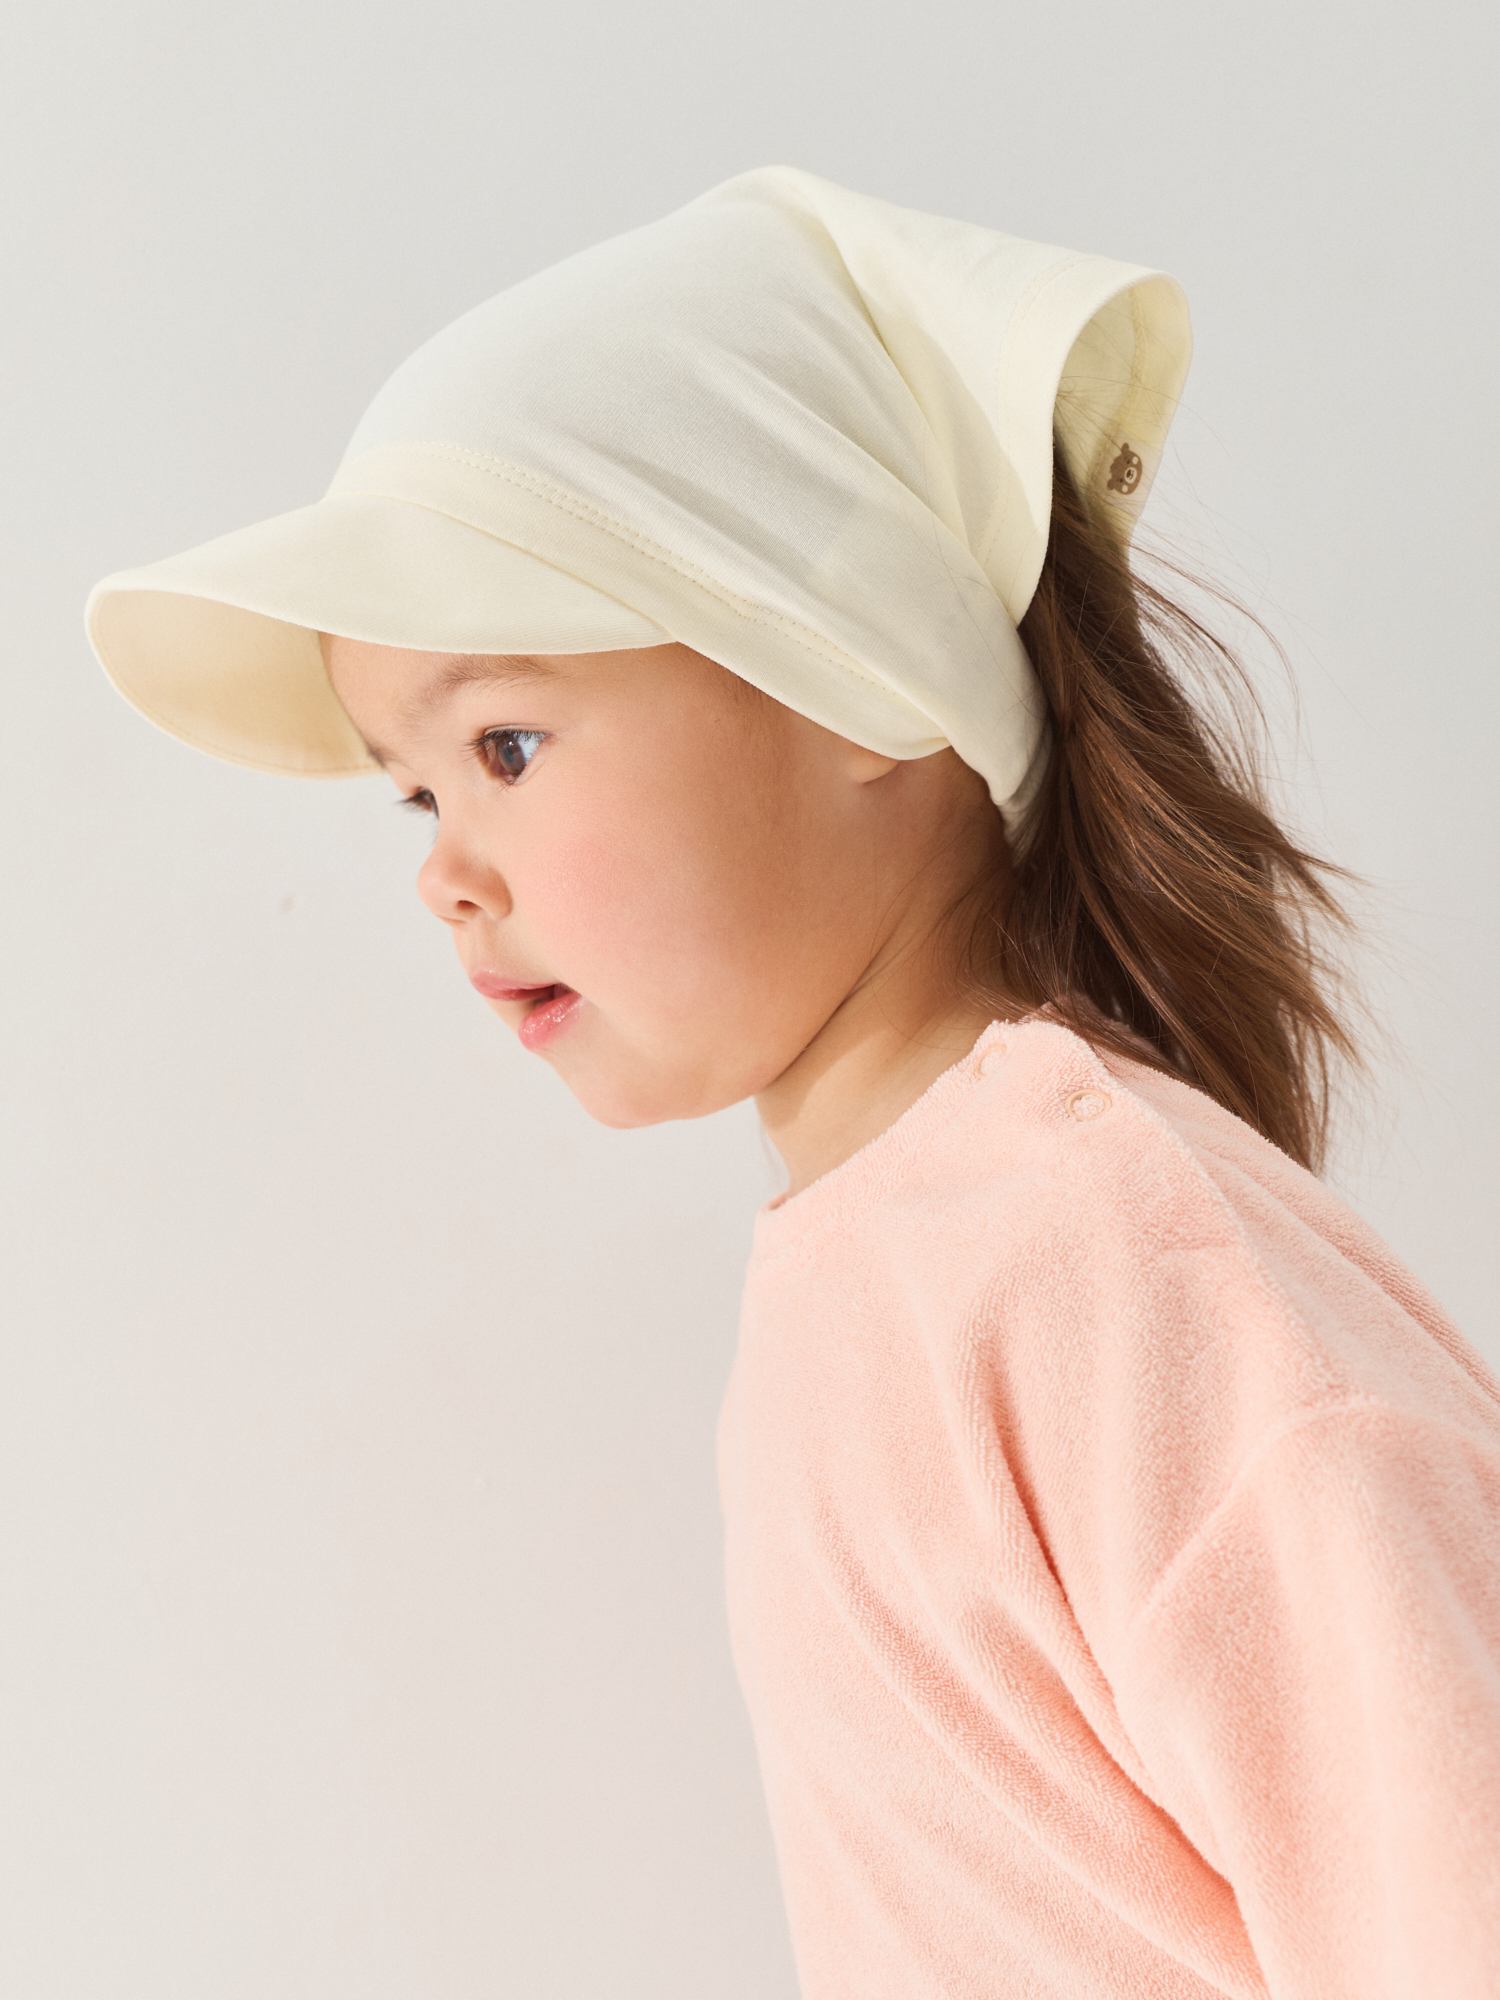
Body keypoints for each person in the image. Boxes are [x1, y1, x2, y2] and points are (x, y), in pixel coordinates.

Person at [85, 167, 1500, 1998]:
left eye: (505, 745)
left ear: (855, 680)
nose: (442, 870)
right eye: (417, 794)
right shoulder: (900, 1263)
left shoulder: (1116, 1271)